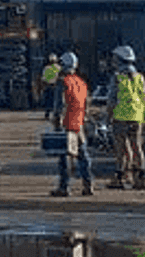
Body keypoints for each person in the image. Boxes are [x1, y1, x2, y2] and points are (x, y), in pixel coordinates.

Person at [49, 51, 94, 197]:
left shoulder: (63, 82)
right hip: (79, 123)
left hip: (66, 124)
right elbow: (86, 103)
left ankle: (64, 187)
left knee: (64, 158)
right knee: (83, 156)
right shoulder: (81, 82)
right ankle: (88, 185)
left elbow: (59, 105)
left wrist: (56, 121)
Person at [105, 44, 145, 190]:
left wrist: (108, 118)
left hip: (121, 117)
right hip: (137, 117)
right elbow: (144, 98)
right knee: (137, 147)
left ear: (120, 60)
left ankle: (120, 178)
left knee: (121, 150)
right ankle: (140, 178)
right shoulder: (139, 78)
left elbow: (111, 101)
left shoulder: (118, 78)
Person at [41, 52, 61, 119]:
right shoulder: (58, 68)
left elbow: (43, 79)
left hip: (48, 86)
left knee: (48, 101)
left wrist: (43, 86)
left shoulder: (46, 68)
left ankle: (47, 114)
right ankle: (56, 114)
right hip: (56, 86)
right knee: (56, 101)